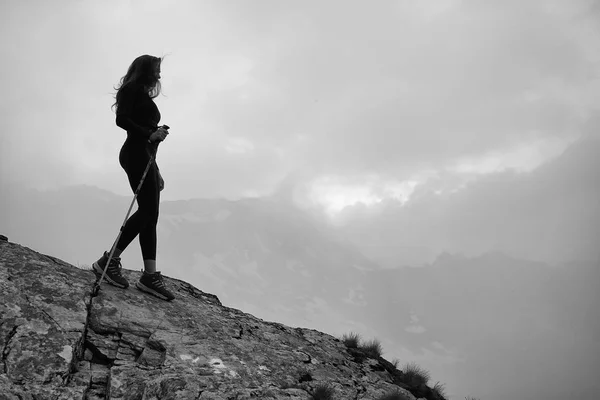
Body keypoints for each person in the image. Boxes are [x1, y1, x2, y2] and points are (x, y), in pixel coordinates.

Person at [92, 55, 174, 301]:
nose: (159, 76)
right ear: (146, 70)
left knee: (151, 213)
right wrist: (149, 134)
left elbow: (143, 131)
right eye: (156, 70)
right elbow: (122, 119)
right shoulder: (132, 90)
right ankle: (110, 261)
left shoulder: (140, 93)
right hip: (135, 154)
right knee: (148, 211)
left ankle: (148, 275)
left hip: (144, 155)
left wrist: (156, 169)